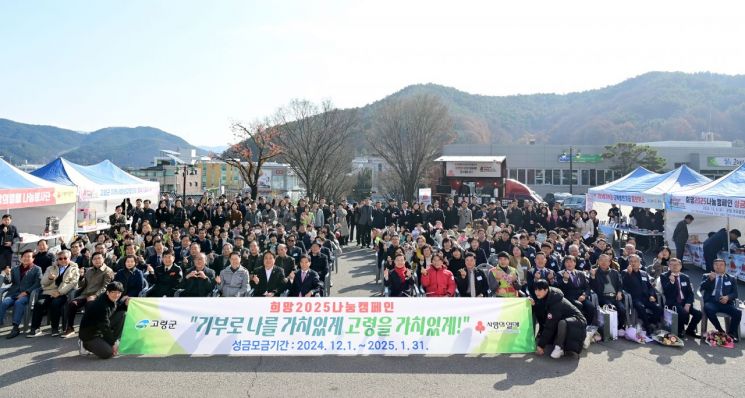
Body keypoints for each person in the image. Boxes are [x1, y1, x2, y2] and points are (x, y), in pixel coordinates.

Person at [62, 252, 114, 337]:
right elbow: (83, 285)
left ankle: (90, 329)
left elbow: (105, 287)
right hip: (85, 294)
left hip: (99, 296)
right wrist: (81, 277)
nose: (97, 260)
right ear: (92, 261)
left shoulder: (108, 271)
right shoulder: (89, 270)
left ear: (103, 259)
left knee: (90, 305)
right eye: (94, 259)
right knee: (72, 304)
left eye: (99, 258)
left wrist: (95, 295)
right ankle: (70, 327)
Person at [28, 250, 79, 337]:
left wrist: (60, 292)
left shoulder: (74, 269)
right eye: (60, 258)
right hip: (49, 292)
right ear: (57, 259)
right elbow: (43, 282)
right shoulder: (50, 268)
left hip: (63, 293)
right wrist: (50, 278)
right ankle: (35, 328)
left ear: (69, 258)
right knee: (39, 304)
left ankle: (55, 328)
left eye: (65, 258)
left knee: (55, 303)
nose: (62, 260)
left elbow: (73, 283)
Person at [532, 279, 587, 359]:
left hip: (578, 321)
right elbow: (542, 310)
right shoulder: (548, 296)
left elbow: (550, 326)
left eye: (539, 290)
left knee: (562, 323)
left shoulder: (555, 302)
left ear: (546, 289)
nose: (537, 292)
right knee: (556, 322)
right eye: (535, 290)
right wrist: (534, 304)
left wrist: (541, 346)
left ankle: (559, 348)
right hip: (568, 320)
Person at [78, 282, 125, 359]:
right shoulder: (101, 305)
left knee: (122, 314)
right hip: (90, 334)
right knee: (108, 353)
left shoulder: (110, 299)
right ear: (107, 292)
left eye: (119, 293)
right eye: (113, 292)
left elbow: (117, 309)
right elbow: (105, 327)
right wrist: (112, 344)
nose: (116, 295)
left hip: (100, 328)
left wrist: (126, 304)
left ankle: (112, 340)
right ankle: (84, 344)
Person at [0, 250, 42, 338]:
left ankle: (15, 328)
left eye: (29, 256)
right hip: (13, 293)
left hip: (27, 294)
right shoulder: (15, 268)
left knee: (18, 303)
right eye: (24, 256)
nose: (26, 258)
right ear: (21, 258)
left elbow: (37, 283)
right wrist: (7, 274)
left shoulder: (37, 269)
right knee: (4, 302)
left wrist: (26, 292)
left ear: (33, 259)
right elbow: (8, 282)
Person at [699, 258, 742, 342]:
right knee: (708, 309)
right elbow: (701, 287)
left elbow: (735, 294)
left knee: (737, 312)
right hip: (712, 301)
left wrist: (728, 297)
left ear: (725, 267)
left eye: (721, 265)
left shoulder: (731, 278)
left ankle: (731, 333)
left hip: (726, 302)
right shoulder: (707, 276)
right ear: (713, 266)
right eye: (716, 265)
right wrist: (709, 279)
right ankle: (721, 331)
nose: (718, 267)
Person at [660, 258, 702, 338]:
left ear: (680, 266)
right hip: (673, 302)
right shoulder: (664, 276)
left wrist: (688, 304)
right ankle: (679, 330)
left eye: (676, 265)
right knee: (682, 312)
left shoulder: (685, 277)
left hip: (685, 302)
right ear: (669, 266)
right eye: (672, 265)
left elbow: (690, 293)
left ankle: (690, 330)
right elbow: (666, 291)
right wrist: (671, 282)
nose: (674, 266)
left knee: (698, 314)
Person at [622, 254, 662, 332]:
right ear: (628, 263)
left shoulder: (644, 273)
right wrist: (629, 274)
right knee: (641, 307)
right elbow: (623, 284)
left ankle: (649, 321)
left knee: (658, 308)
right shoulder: (625, 272)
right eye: (631, 262)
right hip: (634, 298)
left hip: (646, 297)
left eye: (635, 261)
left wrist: (651, 295)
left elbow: (650, 287)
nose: (633, 263)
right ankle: (647, 327)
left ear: (639, 263)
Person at [590, 254, 627, 333]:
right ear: (598, 262)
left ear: (609, 262)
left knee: (622, 309)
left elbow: (620, 285)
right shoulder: (595, 272)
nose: (603, 262)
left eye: (606, 260)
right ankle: (609, 330)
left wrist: (619, 292)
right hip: (603, 297)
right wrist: (592, 277)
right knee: (611, 307)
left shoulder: (615, 272)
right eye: (601, 260)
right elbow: (592, 288)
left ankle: (619, 328)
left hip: (614, 297)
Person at [557, 256, 595, 325]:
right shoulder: (560, 273)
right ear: (564, 264)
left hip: (581, 296)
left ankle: (588, 325)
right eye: (567, 262)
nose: (569, 264)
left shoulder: (580, 273)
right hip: (569, 297)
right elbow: (559, 287)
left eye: (571, 262)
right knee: (578, 305)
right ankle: (579, 325)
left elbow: (587, 287)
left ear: (575, 263)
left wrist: (584, 295)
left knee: (591, 306)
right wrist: (565, 280)